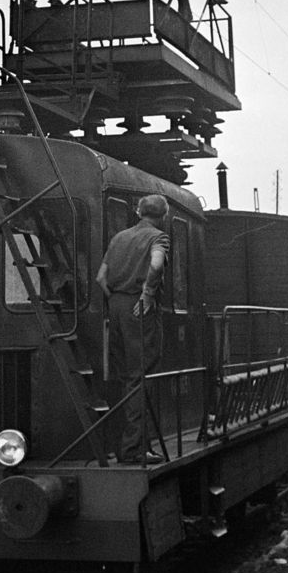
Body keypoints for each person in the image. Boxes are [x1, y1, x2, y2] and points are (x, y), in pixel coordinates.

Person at [95, 193, 171, 464]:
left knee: (124, 376)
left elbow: (101, 278)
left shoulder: (118, 238)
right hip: (139, 309)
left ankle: (124, 444)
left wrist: (115, 300)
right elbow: (156, 263)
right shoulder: (157, 237)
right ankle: (134, 450)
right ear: (163, 216)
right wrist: (147, 294)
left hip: (115, 306)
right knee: (140, 376)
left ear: (139, 212)